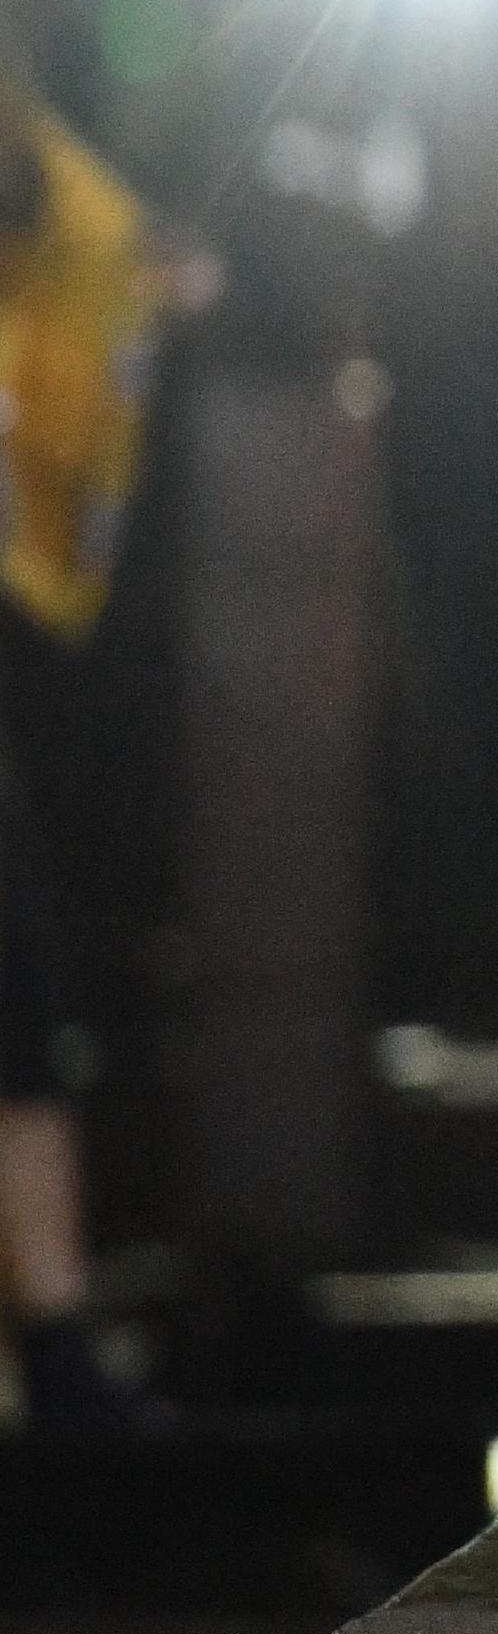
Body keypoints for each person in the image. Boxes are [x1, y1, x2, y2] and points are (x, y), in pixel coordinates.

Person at [0, 89, 159, 1427]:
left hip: (19, 630)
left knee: (20, 988)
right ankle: (52, 1337)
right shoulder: (80, 219)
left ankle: (54, 1340)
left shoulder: (83, 229)